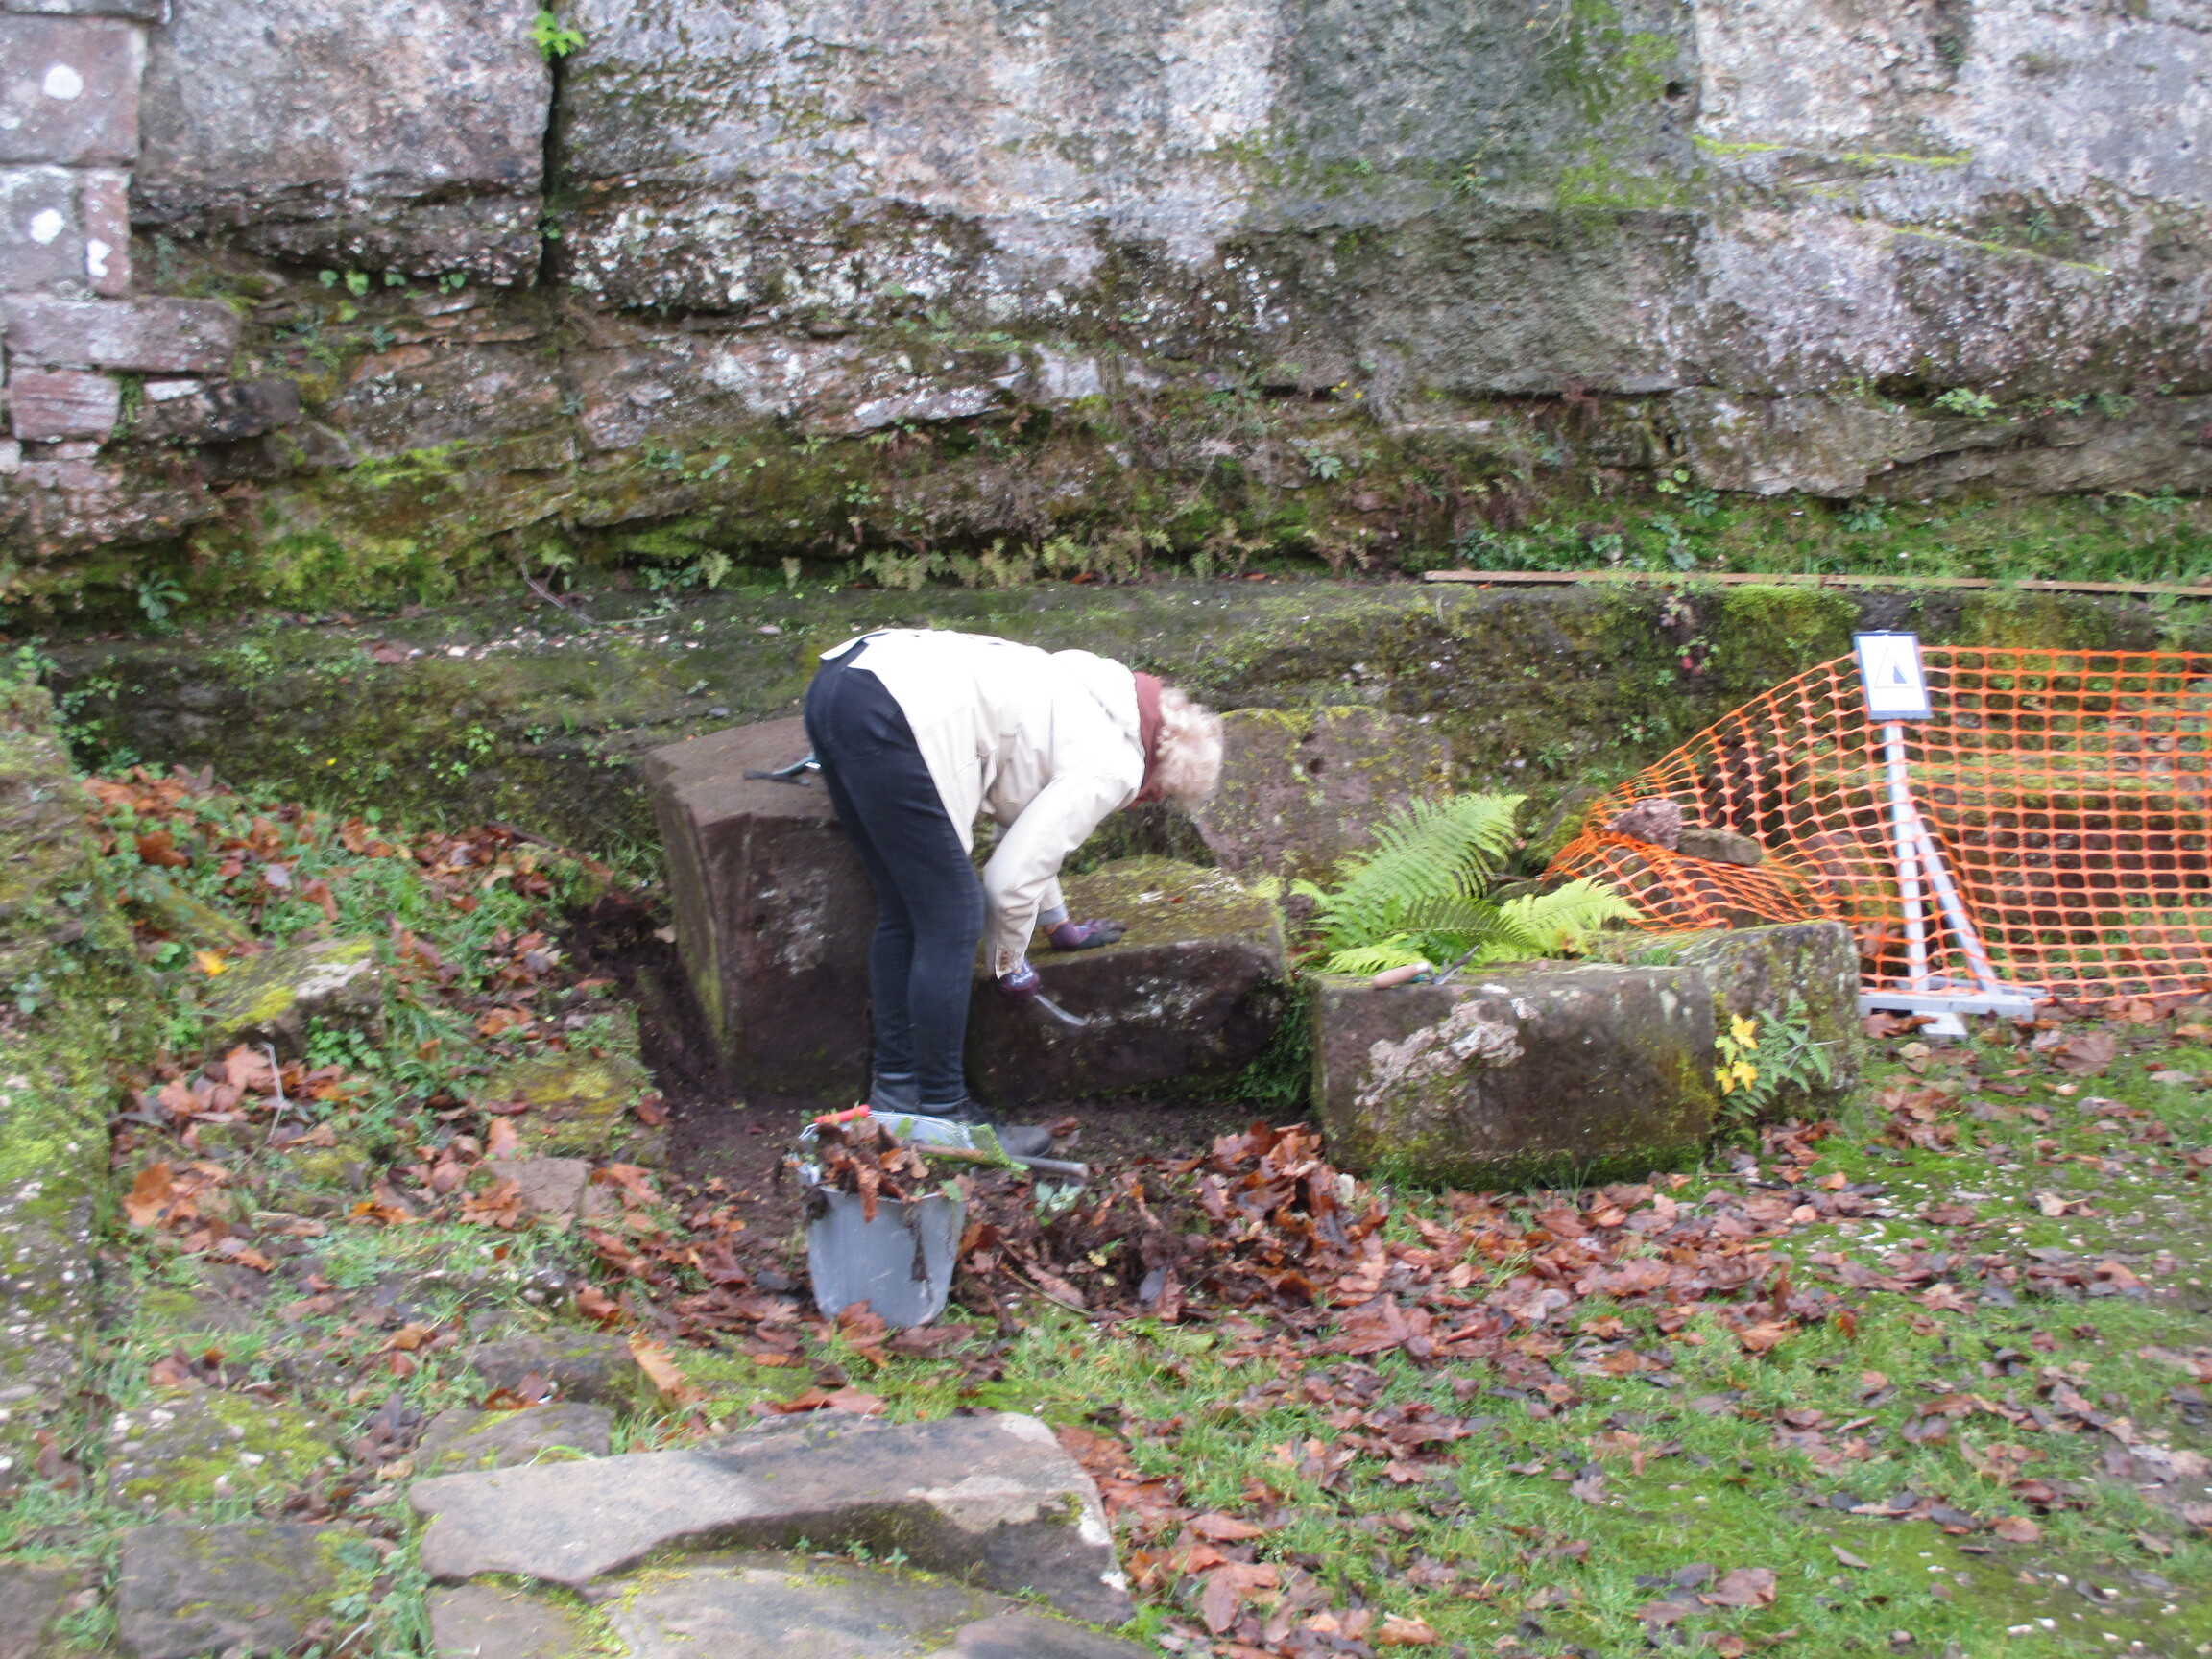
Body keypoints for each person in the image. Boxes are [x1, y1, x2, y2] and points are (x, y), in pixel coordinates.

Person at [803, 628, 1224, 1148]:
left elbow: (1029, 832)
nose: (1143, 802)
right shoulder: (1115, 767)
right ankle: (946, 1113)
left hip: (844, 681)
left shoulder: (1095, 691)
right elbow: (1007, 884)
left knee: (905, 909)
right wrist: (1009, 963)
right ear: (1159, 776)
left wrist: (1058, 924)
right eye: (1158, 796)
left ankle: (896, 1095)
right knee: (955, 915)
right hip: (894, 711)